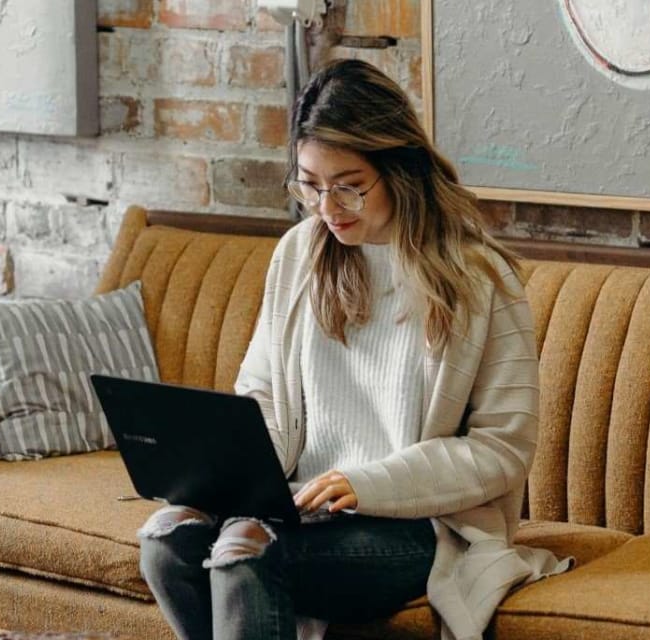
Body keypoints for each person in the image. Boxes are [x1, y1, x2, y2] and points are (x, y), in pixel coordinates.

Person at [135, 59, 567, 640]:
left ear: (401, 169)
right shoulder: (299, 254)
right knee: (167, 543)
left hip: (417, 523)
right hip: (295, 505)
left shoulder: (479, 279)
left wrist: (369, 484)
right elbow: (260, 394)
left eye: (349, 187)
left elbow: (501, 448)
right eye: (310, 185)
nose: (328, 208)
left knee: (245, 552)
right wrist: (226, 472)